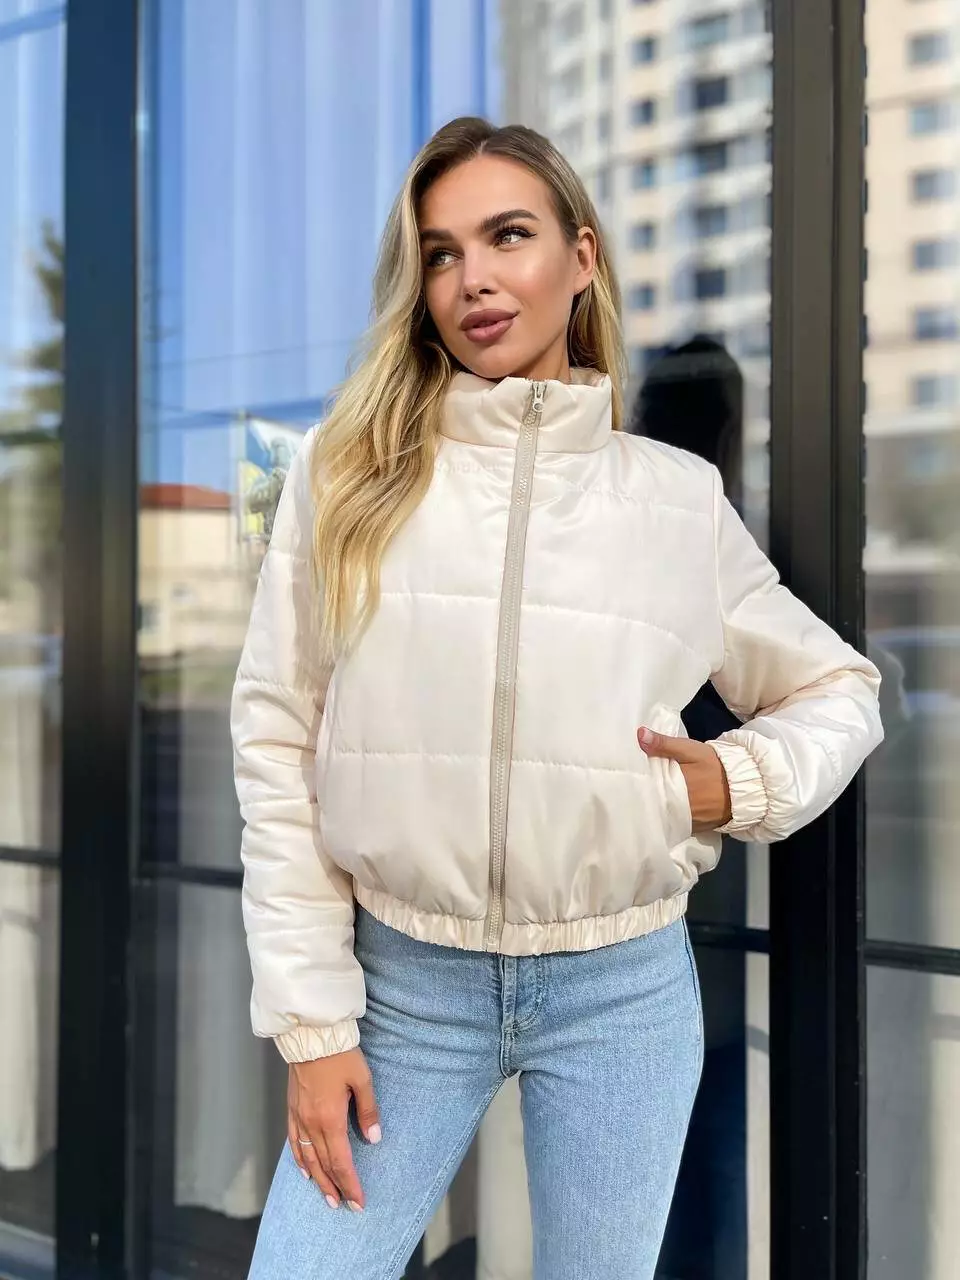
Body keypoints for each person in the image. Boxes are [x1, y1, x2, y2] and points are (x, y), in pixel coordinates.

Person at [231, 116, 884, 1280]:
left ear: (581, 257)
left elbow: (841, 687)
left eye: (507, 236)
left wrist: (735, 780)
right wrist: (313, 1025)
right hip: (403, 986)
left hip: (621, 988)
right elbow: (278, 740)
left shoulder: (674, 500)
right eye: (441, 252)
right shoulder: (348, 473)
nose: (471, 278)